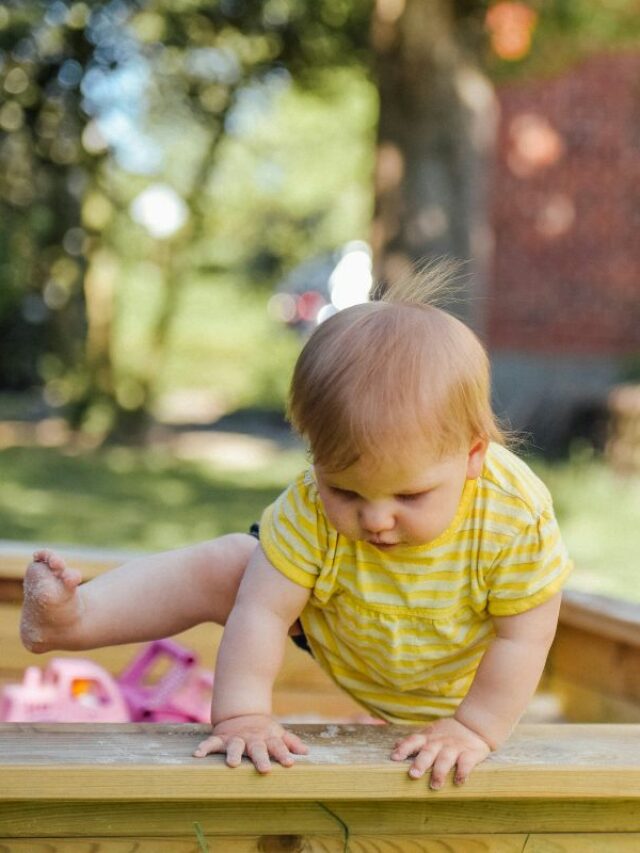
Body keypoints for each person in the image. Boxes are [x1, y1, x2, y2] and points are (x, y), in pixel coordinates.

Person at [20, 264, 572, 789]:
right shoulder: (308, 506)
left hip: (461, 676)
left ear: (473, 455)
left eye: (410, 494)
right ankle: (74, 619)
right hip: (347, 626)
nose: (376, 519)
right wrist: (242, 716)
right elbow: (261, 612)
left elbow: (525, 635)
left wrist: (474, 727)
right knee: (233, 565)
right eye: (346, 491)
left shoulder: (511, 515)